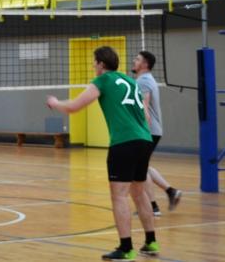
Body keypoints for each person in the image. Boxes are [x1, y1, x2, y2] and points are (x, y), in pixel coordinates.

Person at [47, 46, 158, 260]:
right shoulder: (130, 81)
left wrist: (55, 103)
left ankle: (126, 248)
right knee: (139, 193)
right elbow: (146, 116)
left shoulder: (103, 80)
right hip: (144, 139)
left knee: (119, 196)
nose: (93, 65)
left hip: (124, 142)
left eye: (94, 62)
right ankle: (151, 242)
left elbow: (74, 107)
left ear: (101, 63)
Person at [132, 51, 182, 217]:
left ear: (145, 64)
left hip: (148, 130)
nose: (134, 61)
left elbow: (144, 107)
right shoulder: (146, 79)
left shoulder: (143, 81)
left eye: (137, 59)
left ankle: (152, 206)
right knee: (143, 166)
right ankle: (171, 192)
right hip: (153, 130)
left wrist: (142, 131)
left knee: (140, 169)